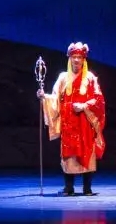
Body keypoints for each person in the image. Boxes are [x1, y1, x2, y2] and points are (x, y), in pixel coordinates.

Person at [37, 42, 106, 196]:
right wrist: (44, 97)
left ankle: (87, 188)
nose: (76, 60)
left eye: (79, 57)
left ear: (83, 59)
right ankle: (69, 188)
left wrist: (84, 105)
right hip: (69, 122)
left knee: (87, 150)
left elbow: (99, 100)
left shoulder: (90, 78)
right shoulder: (63, 77)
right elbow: (55, 98)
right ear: (69, 59)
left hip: (85, 122)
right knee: (69, 153)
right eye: (74, 57)